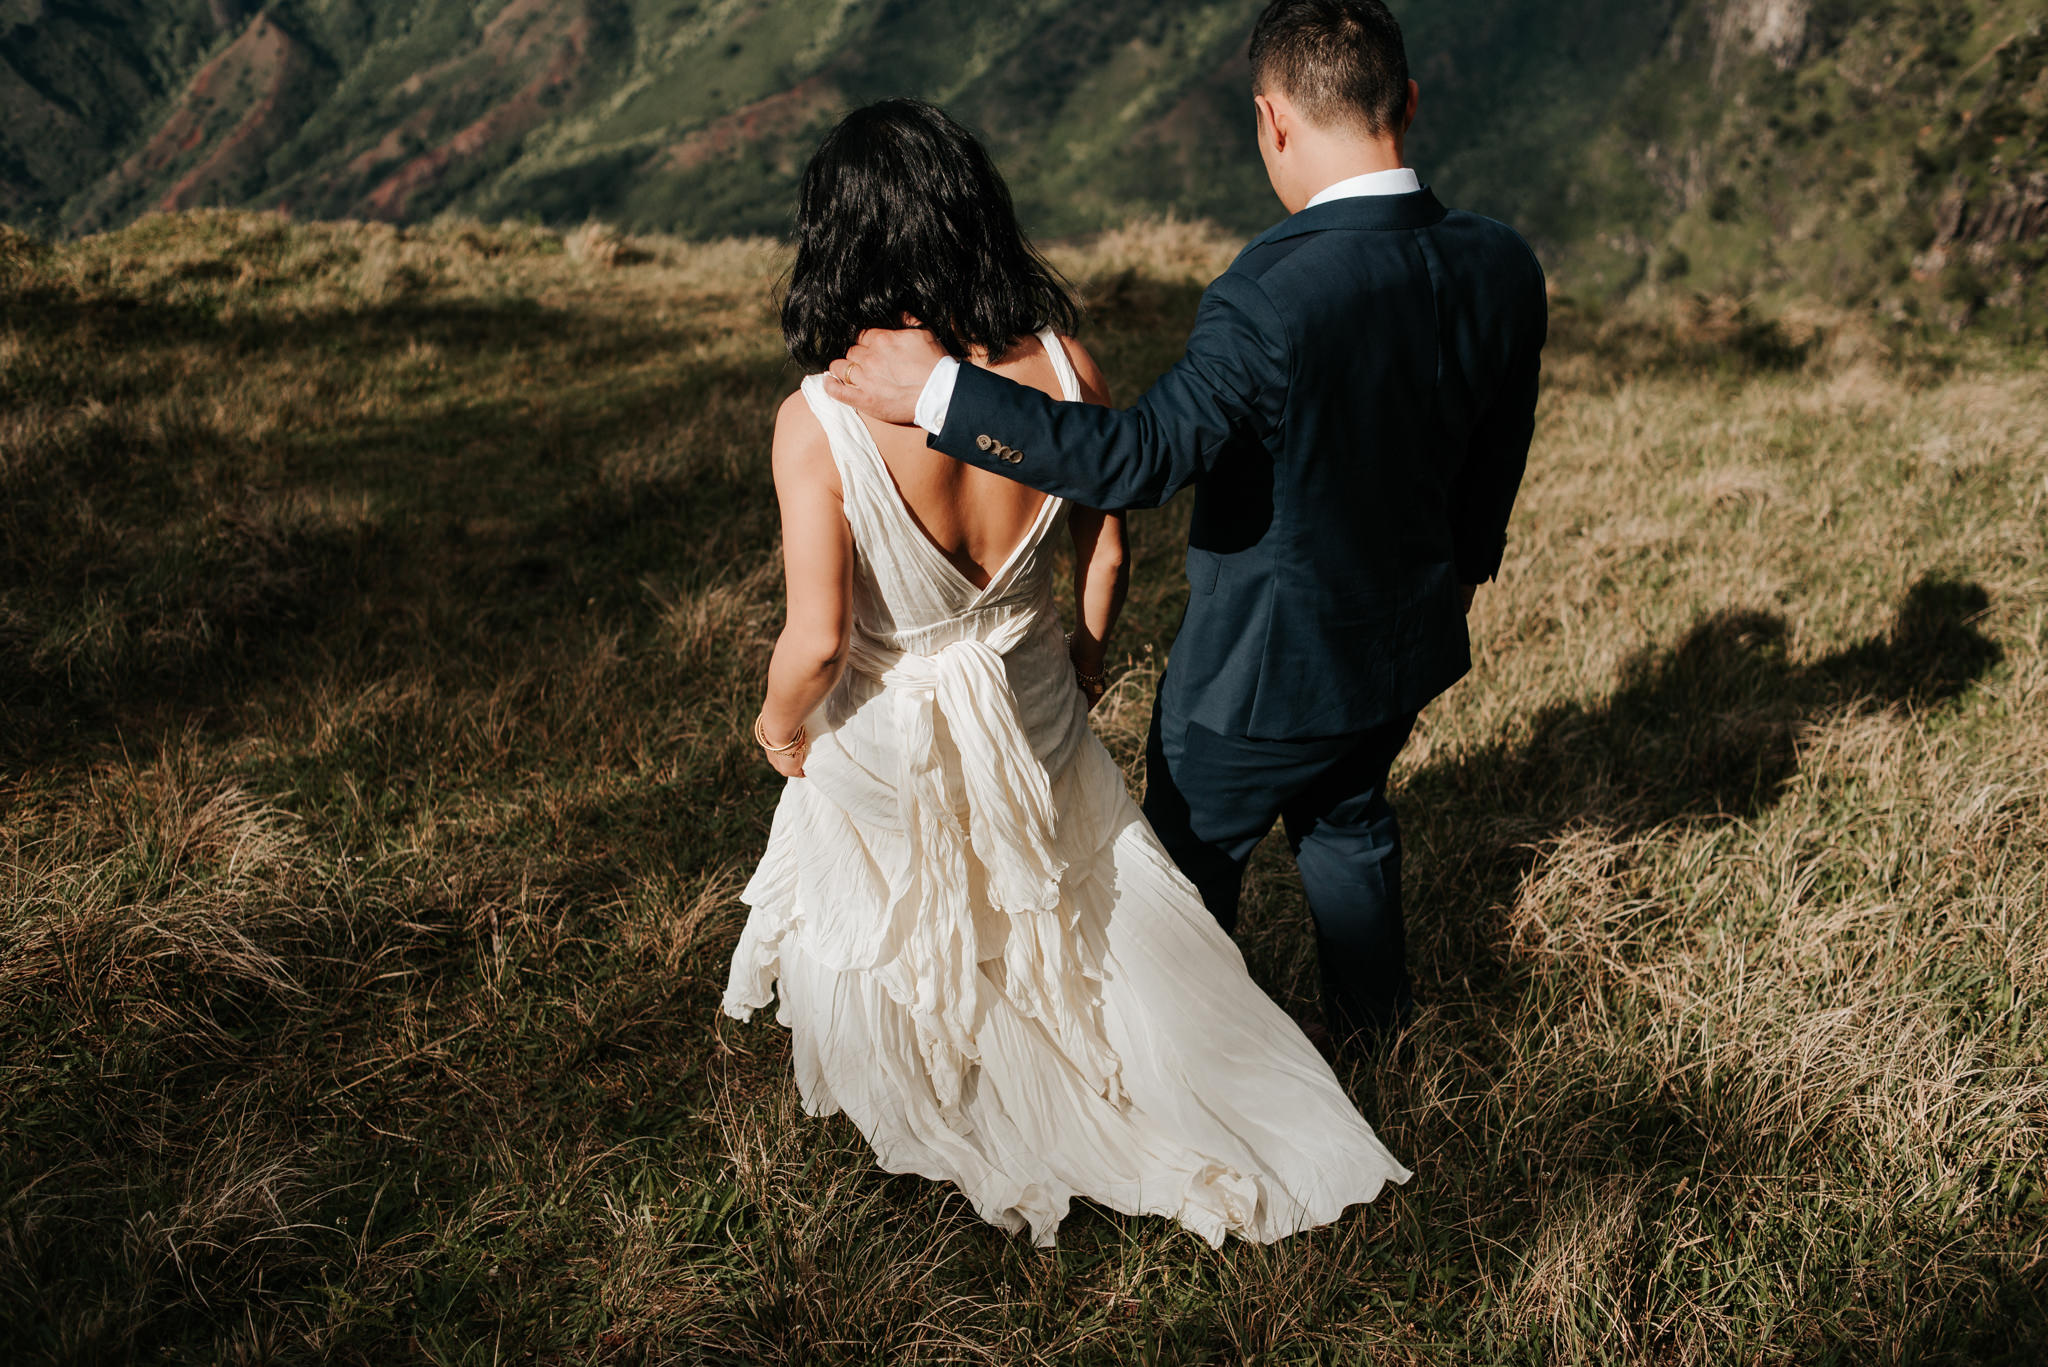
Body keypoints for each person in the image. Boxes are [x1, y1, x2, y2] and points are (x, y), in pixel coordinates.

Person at [723, 97, 1410, 1248]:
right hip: (1033, 694)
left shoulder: (820, 421)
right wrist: (1080, 660)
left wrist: (777, 724)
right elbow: (1106, 546)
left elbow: (820, 640)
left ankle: (979, 1085)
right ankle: (1195, 1081)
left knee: (933, 910)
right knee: (1078, 895)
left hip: (897, 731)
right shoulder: (1059, 362)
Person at [826, 0, 1548, 1050]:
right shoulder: (1500, 260)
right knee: (1348, 824)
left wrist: (939, 393)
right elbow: (1496, 451)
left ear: (1271, 122)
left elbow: (1137, 460)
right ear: (1408, 101)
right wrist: (1456, 574)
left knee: (1187, 868)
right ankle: (1377, 1043)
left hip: (1257, 675)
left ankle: (1194, 1067)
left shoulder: (1270, 292)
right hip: (1404, 642)